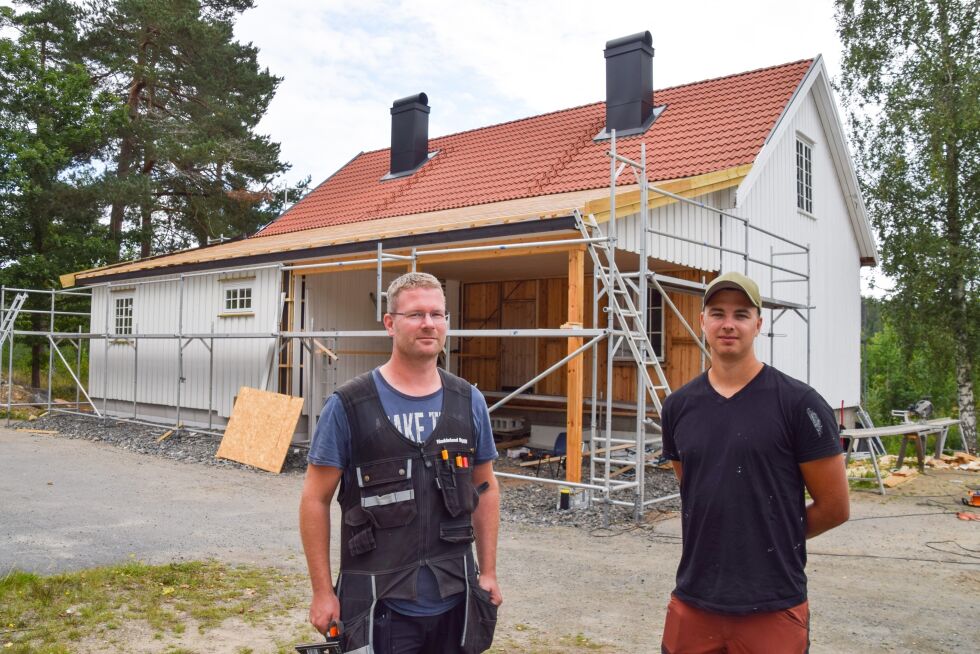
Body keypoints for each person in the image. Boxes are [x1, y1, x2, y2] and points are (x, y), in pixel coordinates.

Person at [300, 272, 501, 654]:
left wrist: (488, 572)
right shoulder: (349, 405)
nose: (429, 323)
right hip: (380, 606)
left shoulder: (469, 401)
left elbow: (486, 487)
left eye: (437, 314)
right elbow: (315, 499)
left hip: (455, 601)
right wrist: (322, 592)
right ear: (390, 323)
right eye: (416, 314)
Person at [660, 272, 849, 654]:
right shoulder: (678, 406)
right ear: (703, 322)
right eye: (717, 313)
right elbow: (692, 489)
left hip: (773, 601)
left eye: (741, 314)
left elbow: (835, 507)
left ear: (758, 324)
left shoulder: (799, 403)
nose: (728, 324)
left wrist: (770, 536)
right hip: (695, 597)